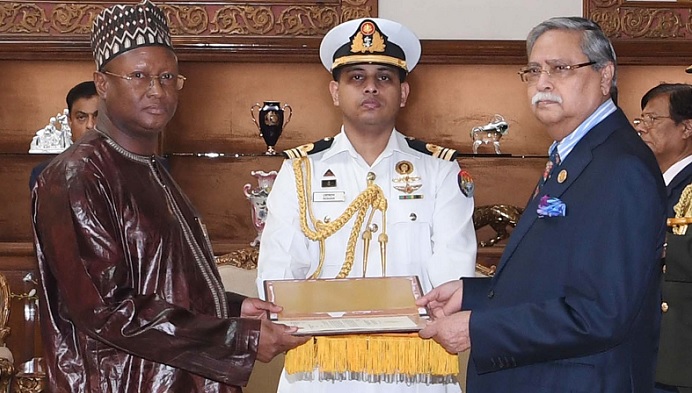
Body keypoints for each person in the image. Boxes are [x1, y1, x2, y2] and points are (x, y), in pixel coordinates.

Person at [31, 1, 308, 392]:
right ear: (103, 83)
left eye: (167, 77)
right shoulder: (79, 175)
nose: (157, 91)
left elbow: (161, 285)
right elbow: (108, 311)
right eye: (139, 76)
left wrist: (232, 309)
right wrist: (239, 339)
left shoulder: (147, 167)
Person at [416, 17, 667, 393]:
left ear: (604, 76)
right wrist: (474, 295)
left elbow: (600, 314)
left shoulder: (620, 166)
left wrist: (478, 328)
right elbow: (553, 281)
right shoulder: (577, 154)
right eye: (534, 70)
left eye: (561, 68)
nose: (543, 82)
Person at [256, 17, 477, 393]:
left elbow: (453, 274)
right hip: (319, 369)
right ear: (335, 91)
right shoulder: (300, 170)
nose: (371, 86)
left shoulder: (440, 169)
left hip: (415, 368)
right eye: (356, 77)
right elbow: (277, 271)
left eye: (384, 78)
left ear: (403, 93)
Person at [635, 83, 692, 393]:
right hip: (641, 343)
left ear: (686, 128)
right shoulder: (642, 180)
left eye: (653, 120)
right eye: (639, 120)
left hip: (678, 350)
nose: (643, 129)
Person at [29, 81, 98, 189]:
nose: (90, 125)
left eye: (97, 116)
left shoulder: (126, 171)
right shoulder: (44, 175)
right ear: (69, 121)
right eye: (81, 117)